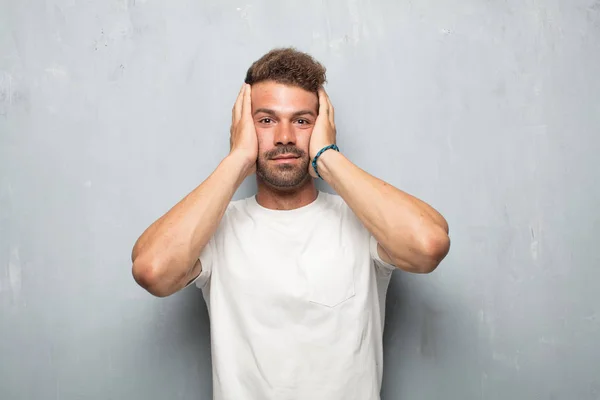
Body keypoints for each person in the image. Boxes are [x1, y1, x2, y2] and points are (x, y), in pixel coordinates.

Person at [131, 47, 450, 400]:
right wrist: (238, 158)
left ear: (323, 126)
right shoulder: (217, 228)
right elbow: (153, 270)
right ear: (243, 128)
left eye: (301, 120)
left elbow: (427, 246)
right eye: (266, 120)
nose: (284, 136)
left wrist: (327, 156)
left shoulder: (363, 221)